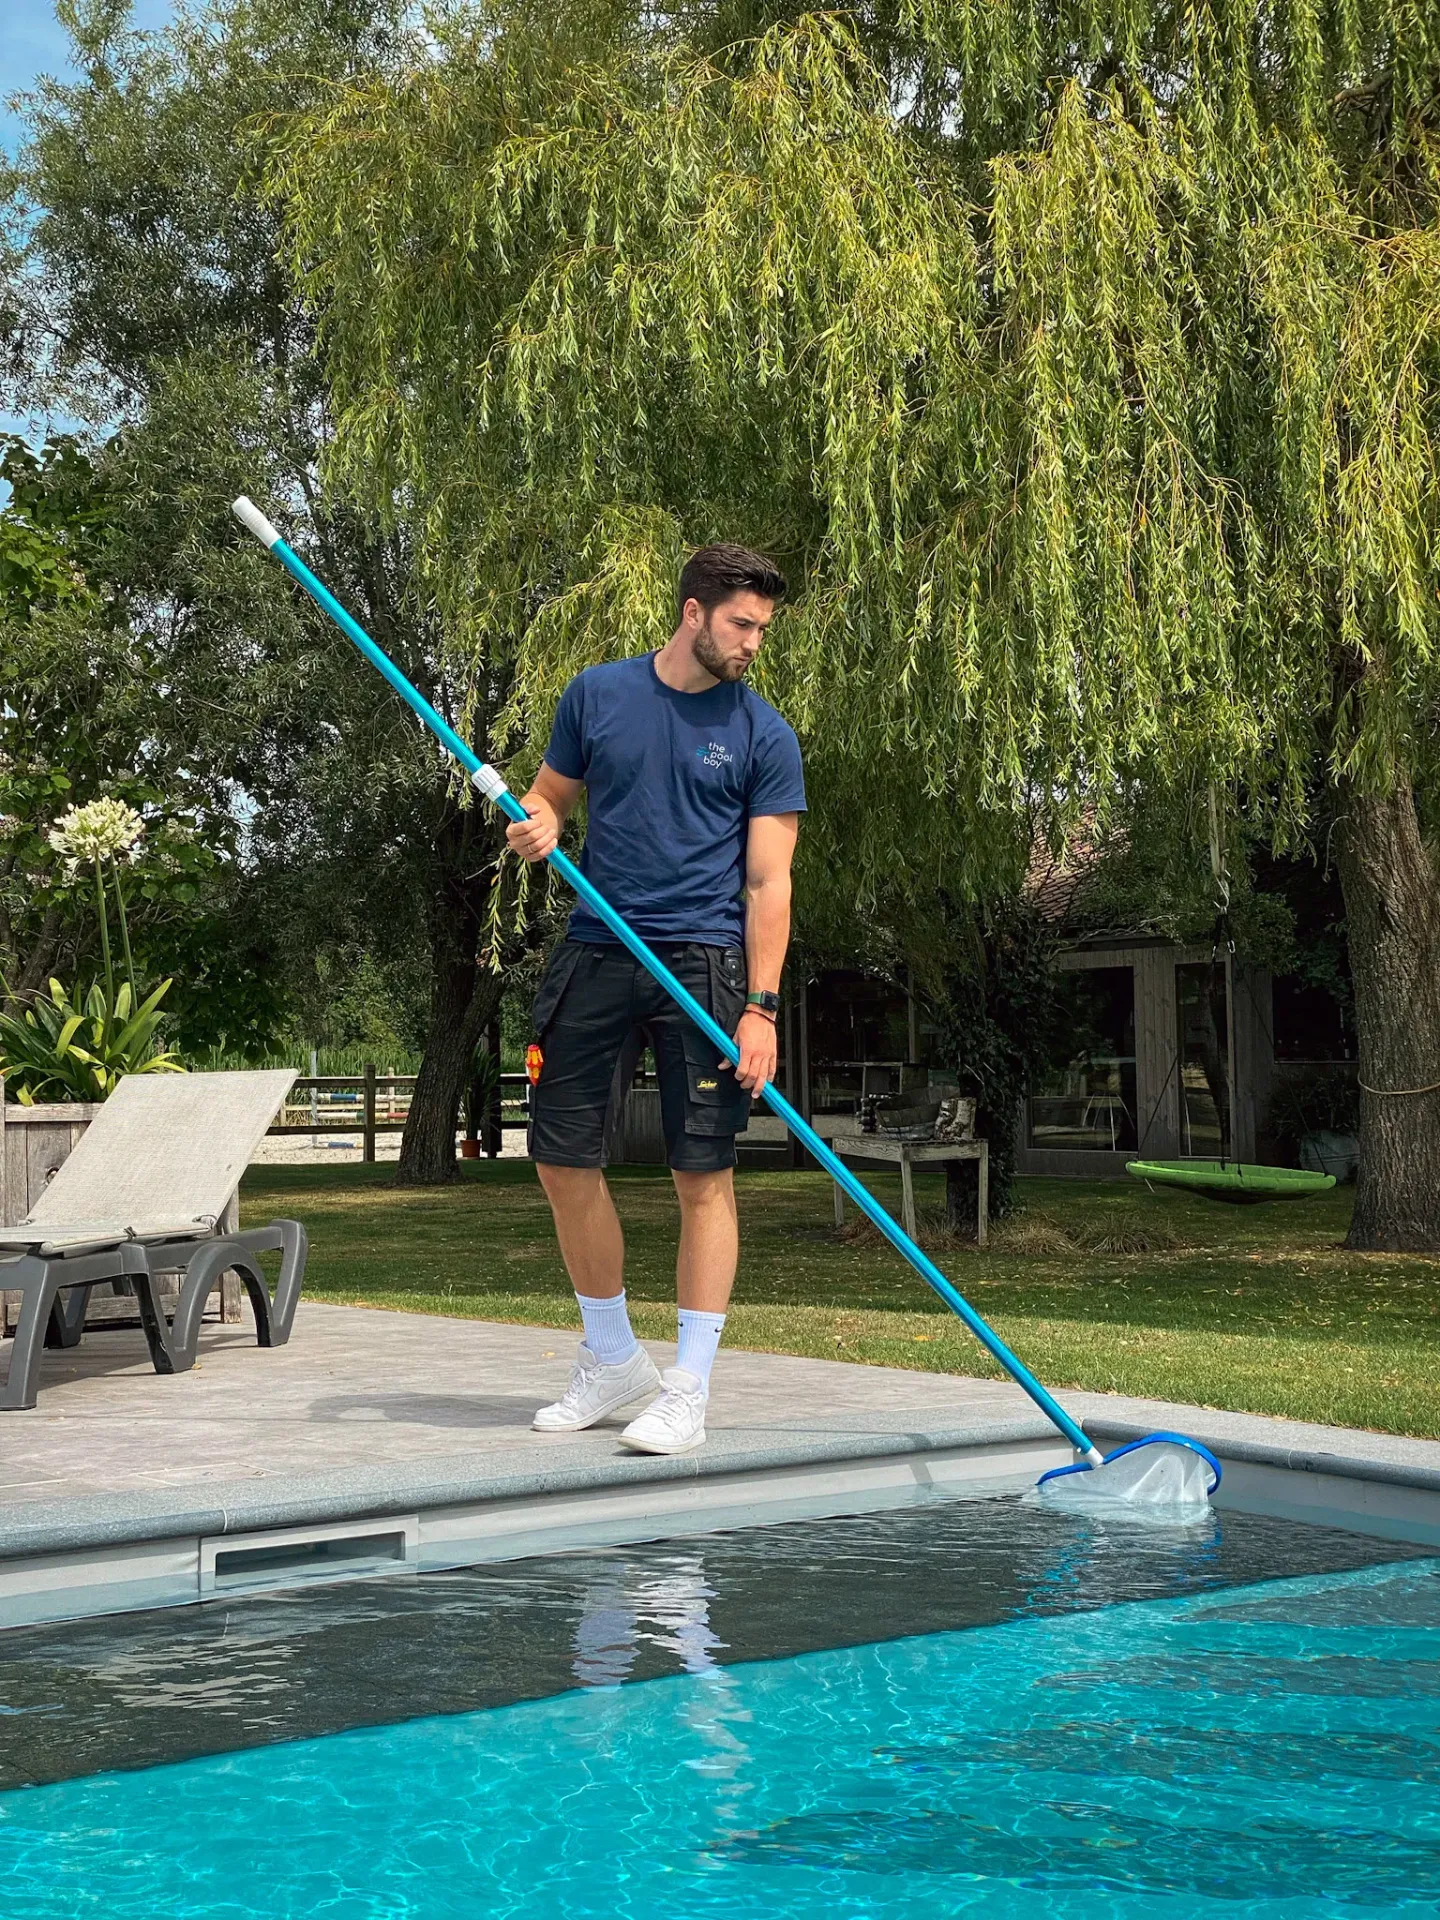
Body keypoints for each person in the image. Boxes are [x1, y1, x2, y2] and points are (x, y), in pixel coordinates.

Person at [506, 543, 805, 1455]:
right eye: (742, 623)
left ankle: (689, 1387)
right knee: (560, 1159)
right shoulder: (596, 695)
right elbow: (548, 799)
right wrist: (539, 826)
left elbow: (769, 884)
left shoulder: (763, 734)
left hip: (704, 965)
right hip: (598, 950)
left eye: (763, 628)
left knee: (700, 1175)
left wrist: (761, 1008)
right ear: (693, 612)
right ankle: (612, 1360)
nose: (753, 642)